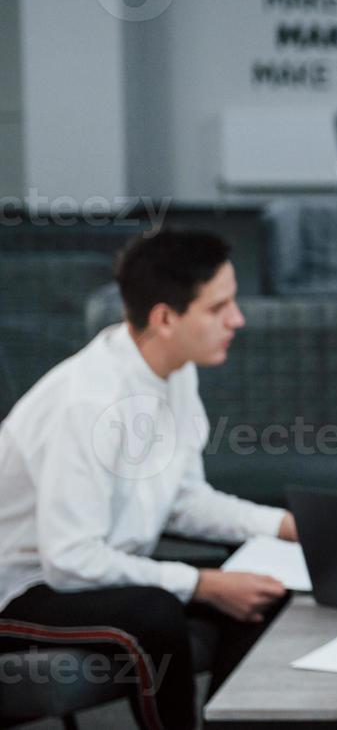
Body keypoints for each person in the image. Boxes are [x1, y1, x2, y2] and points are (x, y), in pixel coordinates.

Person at [0, 231, 298, 730]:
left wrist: (282, 526)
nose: (237, 320)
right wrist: (202, 584)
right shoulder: (87, 404)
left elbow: (182, 500)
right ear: (164, 318)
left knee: (263, 591)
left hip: (95, 570)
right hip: (23, 589)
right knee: (157, 611)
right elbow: (70, 560)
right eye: (218, 307)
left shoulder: (173, 370)